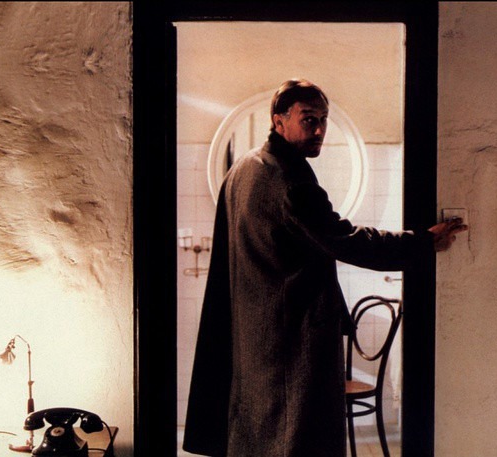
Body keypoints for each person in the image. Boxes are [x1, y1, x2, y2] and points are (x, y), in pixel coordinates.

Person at [183, 79, 467, 457]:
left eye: (323, 119)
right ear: (279, 120)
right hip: (292, 338)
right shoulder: (290, 178)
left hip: (253, 336)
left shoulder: (243, 169)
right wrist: (421, 242)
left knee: (260, 437)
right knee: (301, 441)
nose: (318, 130)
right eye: (308, 119)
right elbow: (344, 239)